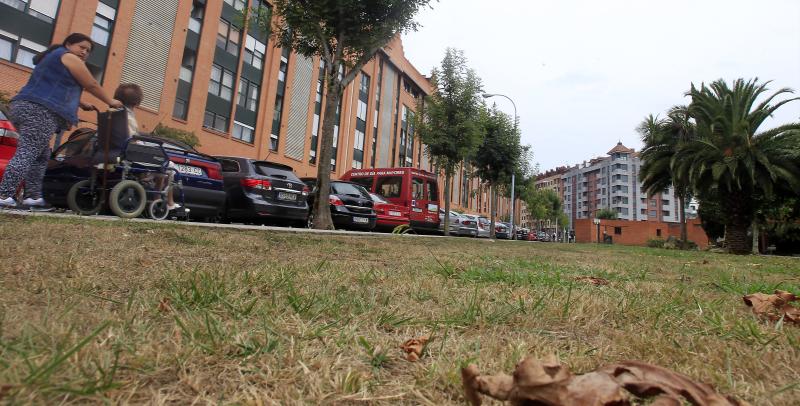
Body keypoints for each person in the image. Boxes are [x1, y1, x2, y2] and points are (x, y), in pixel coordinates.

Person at [0, 33, 123, 210]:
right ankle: (4, 195)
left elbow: (57, 84)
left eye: (88, 50)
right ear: (68, 44)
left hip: (27, 106)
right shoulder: (68, 56)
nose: (84, 52)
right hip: (40, 110)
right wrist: (110, 101)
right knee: (28, 151)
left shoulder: (54, 58)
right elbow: (91, 84)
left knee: (41, 156)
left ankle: (32, 198)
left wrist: (81, 103)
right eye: (81, 47)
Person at [113, 83, 180, 211]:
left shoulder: (112, 114)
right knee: (169, 166)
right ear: (137, 102)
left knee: (160, 166)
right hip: (132, 154)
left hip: (115, 152)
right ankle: (166, 202)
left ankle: (155, 193)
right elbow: (131, 140)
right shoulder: (127, 117)